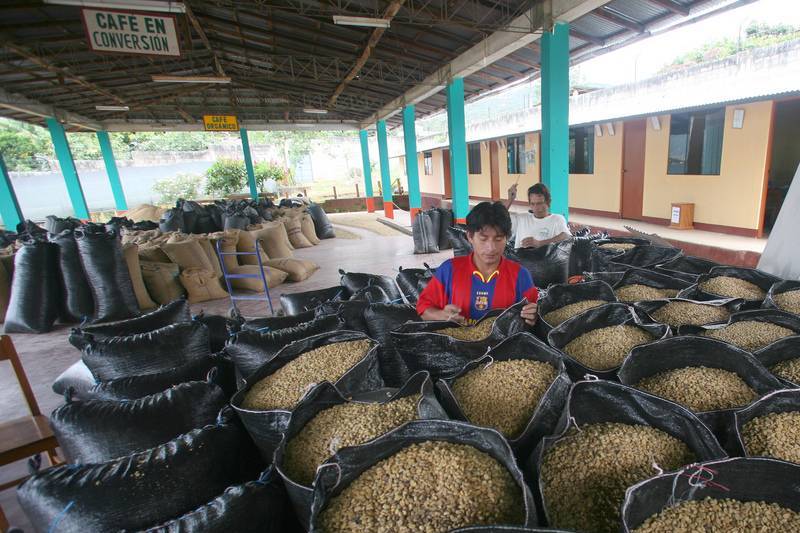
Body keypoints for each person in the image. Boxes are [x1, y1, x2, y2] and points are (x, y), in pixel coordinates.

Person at [416, 201, 539, 325]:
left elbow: (534, 312)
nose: (491, 248)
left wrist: (533, 316)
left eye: (498, 239)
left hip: (504, 343)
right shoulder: (449, 270)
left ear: (507, 238)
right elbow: (423, 308)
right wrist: (441, 315)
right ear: (470, 236)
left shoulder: (520, 275)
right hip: (457, 343)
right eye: (483, 238)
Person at [504, 182, 570, 248]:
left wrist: (540, 243)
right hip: (520, 257)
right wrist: (510, 199)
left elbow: (566, 236)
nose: (536, 208)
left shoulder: (557, 219)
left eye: (539, 203)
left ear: (548, 202)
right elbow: (496, 217)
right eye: (533, 204)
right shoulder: (522, 218)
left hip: (545, 258)